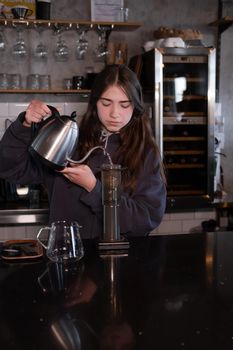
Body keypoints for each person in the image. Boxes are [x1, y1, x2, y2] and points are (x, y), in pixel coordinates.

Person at [0, 64, 166, 239]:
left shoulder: (145, 153)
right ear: (95, 102)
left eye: (124, 105)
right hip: (67, 255)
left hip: (124, 260)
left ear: (136, 107)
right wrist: (25, 126)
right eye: (106, 103)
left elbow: (145, 220)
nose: (115, 113)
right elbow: (10, 169)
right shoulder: (69, 141)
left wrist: (93, 188)